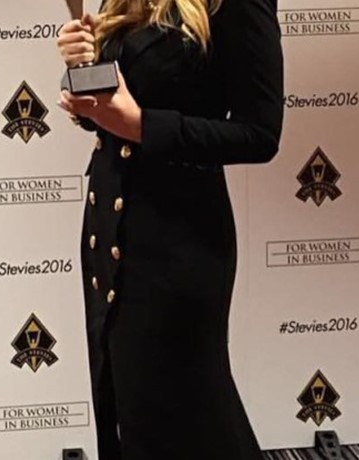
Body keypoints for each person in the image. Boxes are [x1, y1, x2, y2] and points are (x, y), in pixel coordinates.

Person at [56, 0, 283, 458]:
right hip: (111, 228)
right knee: (128, 407)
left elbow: (260, 134)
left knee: (192, 412)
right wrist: (81, 74)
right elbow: (117, 104)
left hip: (179, 237)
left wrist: (143, 126)